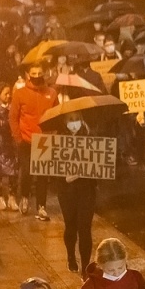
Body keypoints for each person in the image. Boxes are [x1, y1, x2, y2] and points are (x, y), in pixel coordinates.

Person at [9, 64, 57, 218]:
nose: (37, 76)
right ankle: (24, 197)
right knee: (27, 172)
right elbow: (13, 117)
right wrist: (18, 138)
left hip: (44, 140)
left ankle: (41, 206)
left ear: (44, 73)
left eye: (39, 73)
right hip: (26, 140)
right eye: (34, 73)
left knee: (42, 175)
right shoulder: (20, 93)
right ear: (28, 75)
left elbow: (56, 115)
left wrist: (53, 134)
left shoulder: (51, 93)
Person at [54, 114, 100, 272]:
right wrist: (65, 177)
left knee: (85, 228)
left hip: (86, 191)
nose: (74, 124)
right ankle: (71, 257)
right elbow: (52, 166)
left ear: (82, 120)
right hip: (66, 192)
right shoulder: (58, 140)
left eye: (76, 120)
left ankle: (86, 266)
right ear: (65, 122)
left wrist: (85, 171)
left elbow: (99, 164)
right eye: (70, 121)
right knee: (70, 225)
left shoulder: (91, 138)